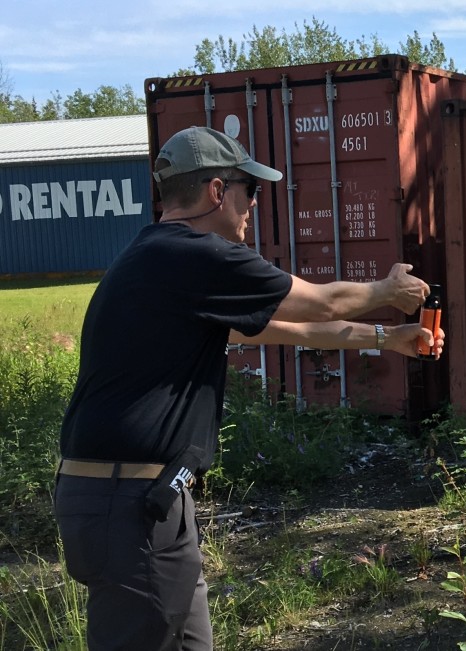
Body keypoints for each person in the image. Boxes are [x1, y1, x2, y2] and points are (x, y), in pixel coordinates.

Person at [53, 125, 444, 651]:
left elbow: (288, 329)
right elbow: (320, 303)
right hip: (128, 505)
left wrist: (387, 337)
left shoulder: (162, 263)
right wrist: (387, 290)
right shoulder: (192, 256)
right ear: (217, 191)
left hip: (140, 501)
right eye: (250, 191)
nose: (253, 206)